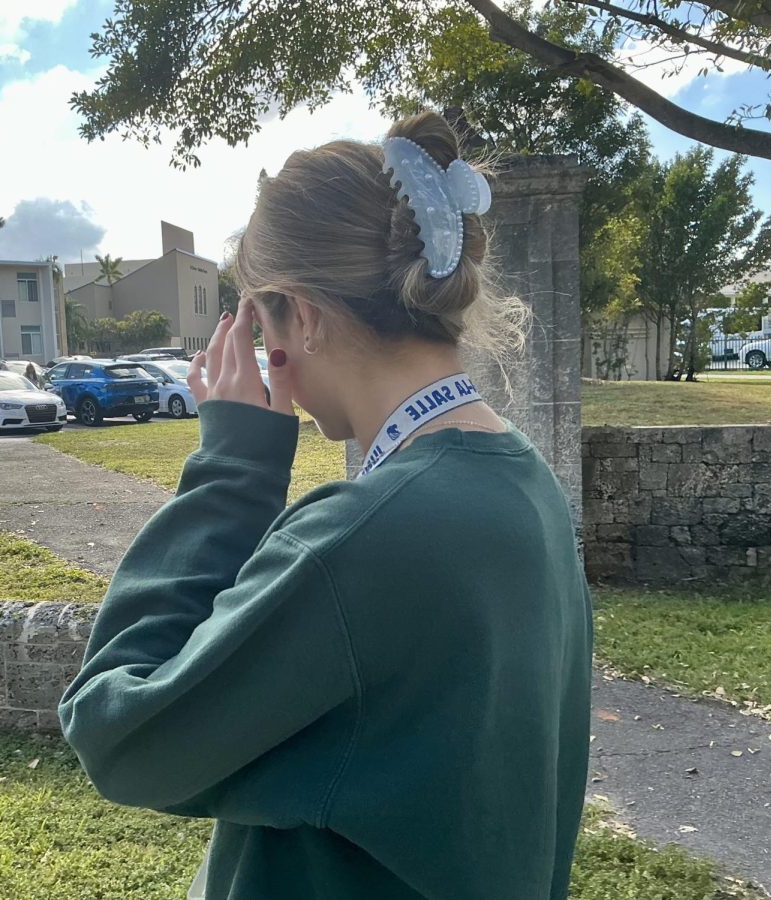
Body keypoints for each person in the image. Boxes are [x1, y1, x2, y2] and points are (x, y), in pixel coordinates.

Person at [59, 112, 592, 900]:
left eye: (252, 316)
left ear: (300, 318)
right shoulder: (520, 480)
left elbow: (118, 735)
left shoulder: (365, 539)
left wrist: (233, 467)